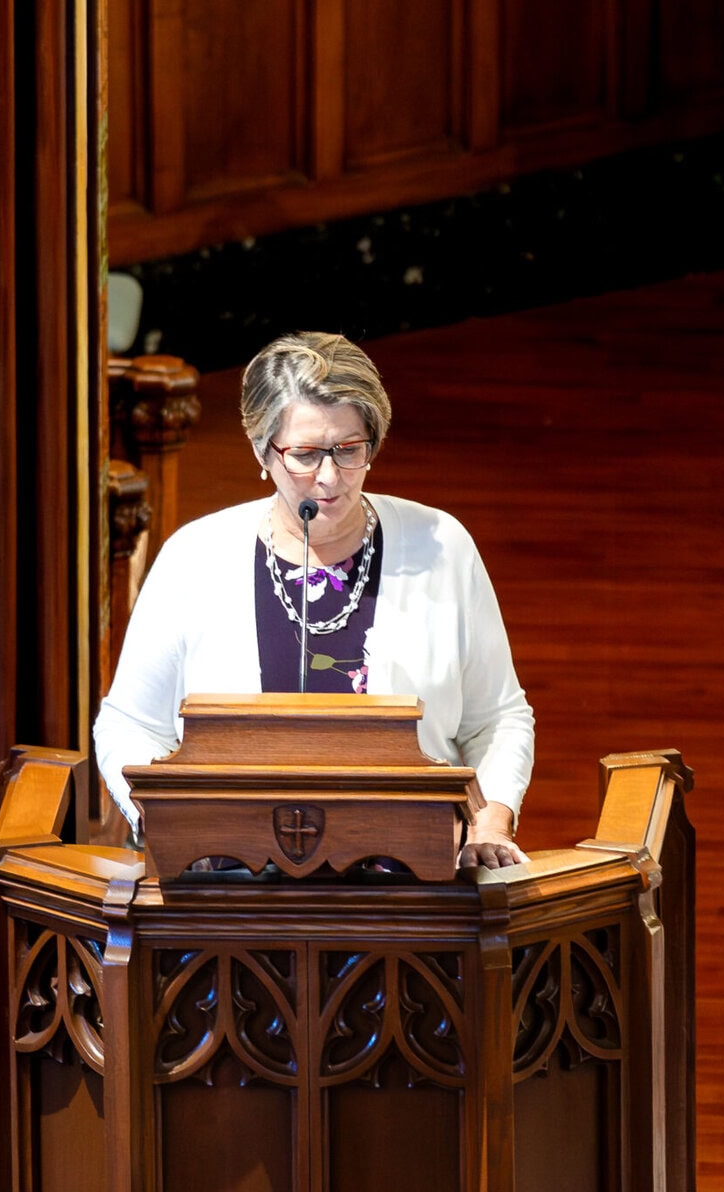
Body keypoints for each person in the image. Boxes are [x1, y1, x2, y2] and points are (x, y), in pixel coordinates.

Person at [93, 332, 534, 868]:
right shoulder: (194, 555)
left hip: (415, 883)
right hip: (230, 889)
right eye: (304, 455)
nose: (329, 477)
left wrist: (491, 821)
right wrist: (167, 824)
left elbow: (499, 718)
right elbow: (127, 725)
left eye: (349, 450)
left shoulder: (441, 545)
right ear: (262, 450)